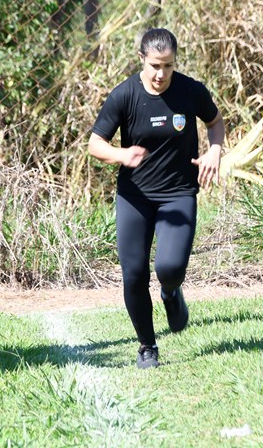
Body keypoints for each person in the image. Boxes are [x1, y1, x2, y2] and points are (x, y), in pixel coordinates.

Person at [88, 28, 225, 369]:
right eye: (154, 66)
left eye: (168, 65)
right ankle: (147, 346)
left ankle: (170, 292)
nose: (161, 74)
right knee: (134, 275)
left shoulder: (190, 91)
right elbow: (95, 144)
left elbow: (215, 121)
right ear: (141, 60)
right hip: (135, 197)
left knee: (169, 268)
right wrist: (121, 156)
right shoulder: (124, 96)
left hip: (178, 193)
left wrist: (215, 152)